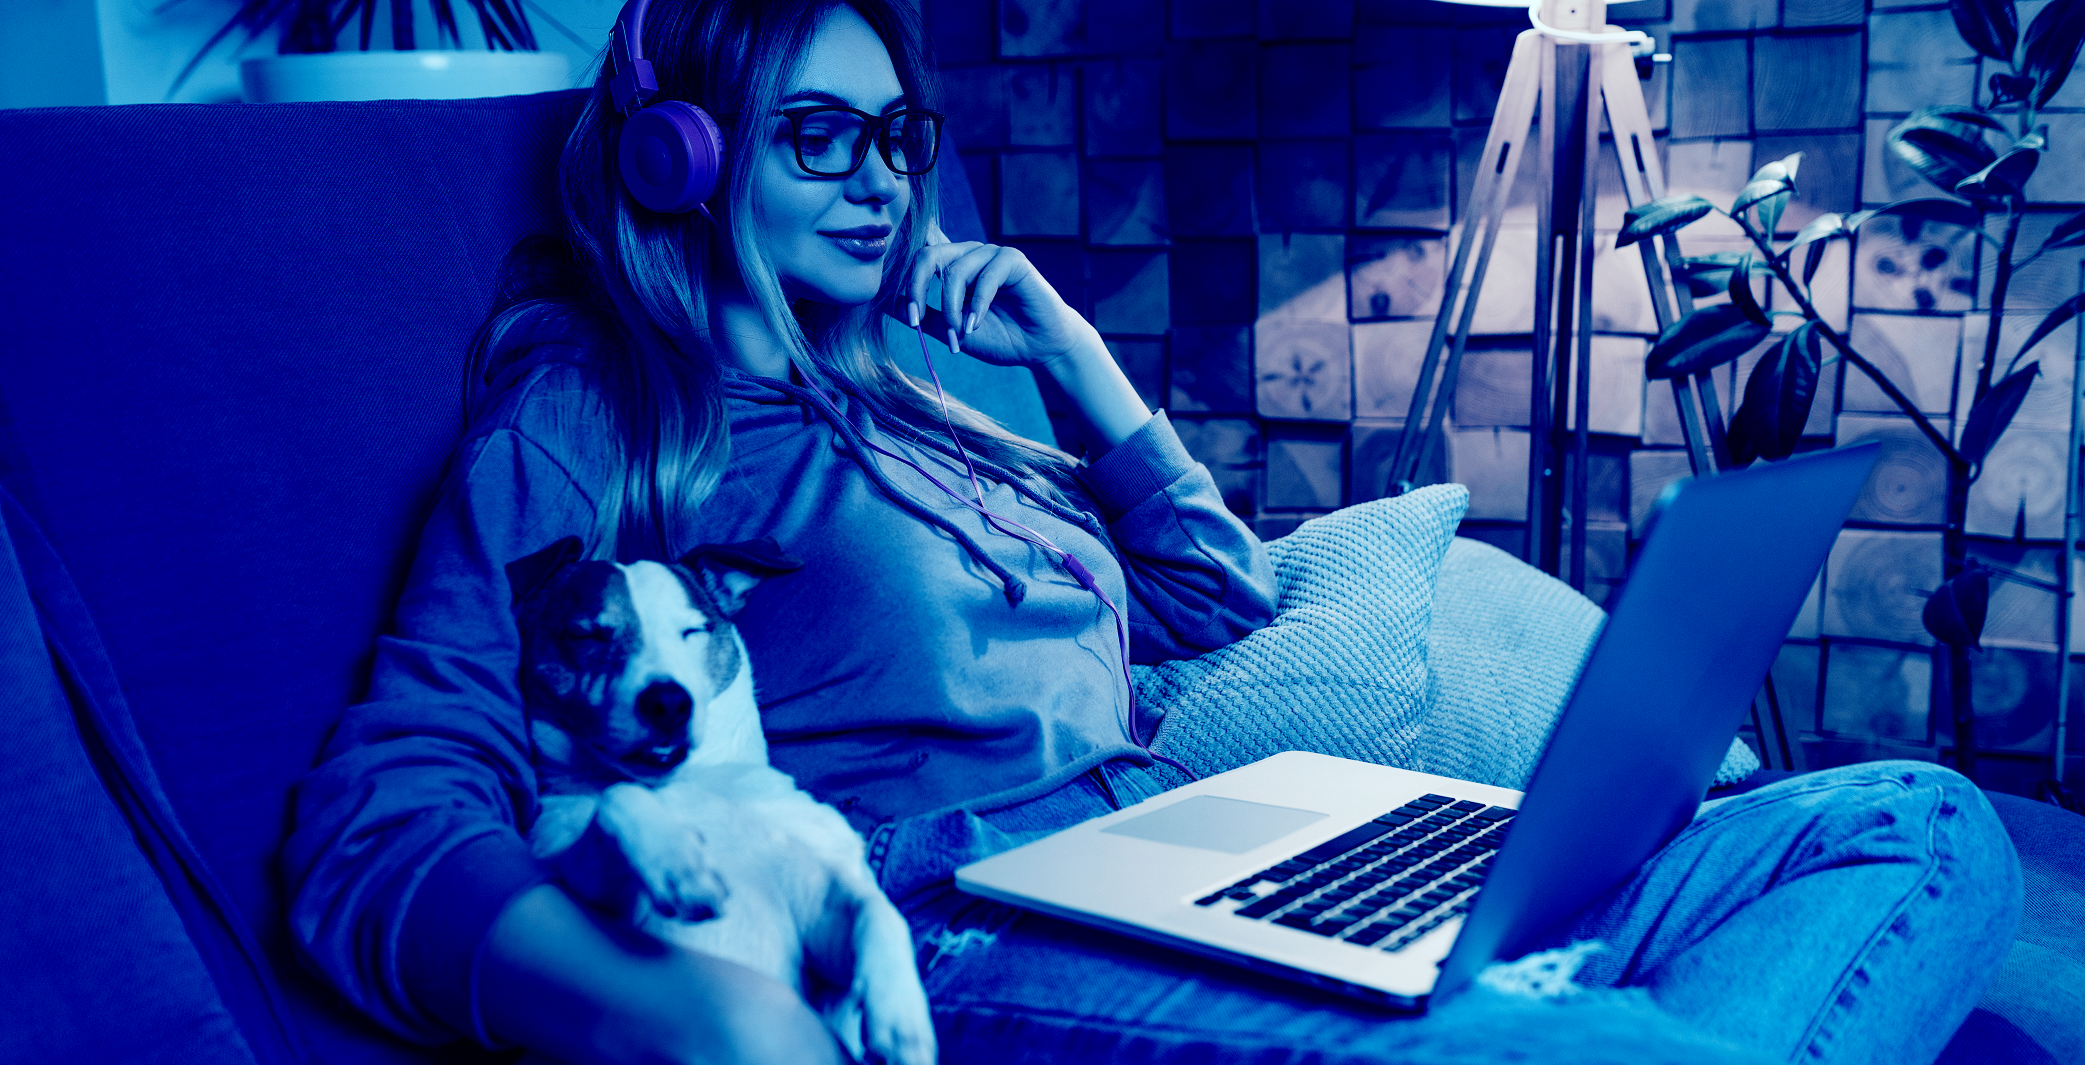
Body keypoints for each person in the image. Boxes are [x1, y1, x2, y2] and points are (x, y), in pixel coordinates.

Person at [281, 1, 2023, 1062]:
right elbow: (386, 807)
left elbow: (1211, 594)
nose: (884, 179)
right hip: (959, 926)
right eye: (819, 135)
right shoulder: (599, 416)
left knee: (1915, 817)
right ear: (680, 154)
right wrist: (649, 1007)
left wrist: (1066, 351)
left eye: (900, 135)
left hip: (1203, 850)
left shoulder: (916, 398)